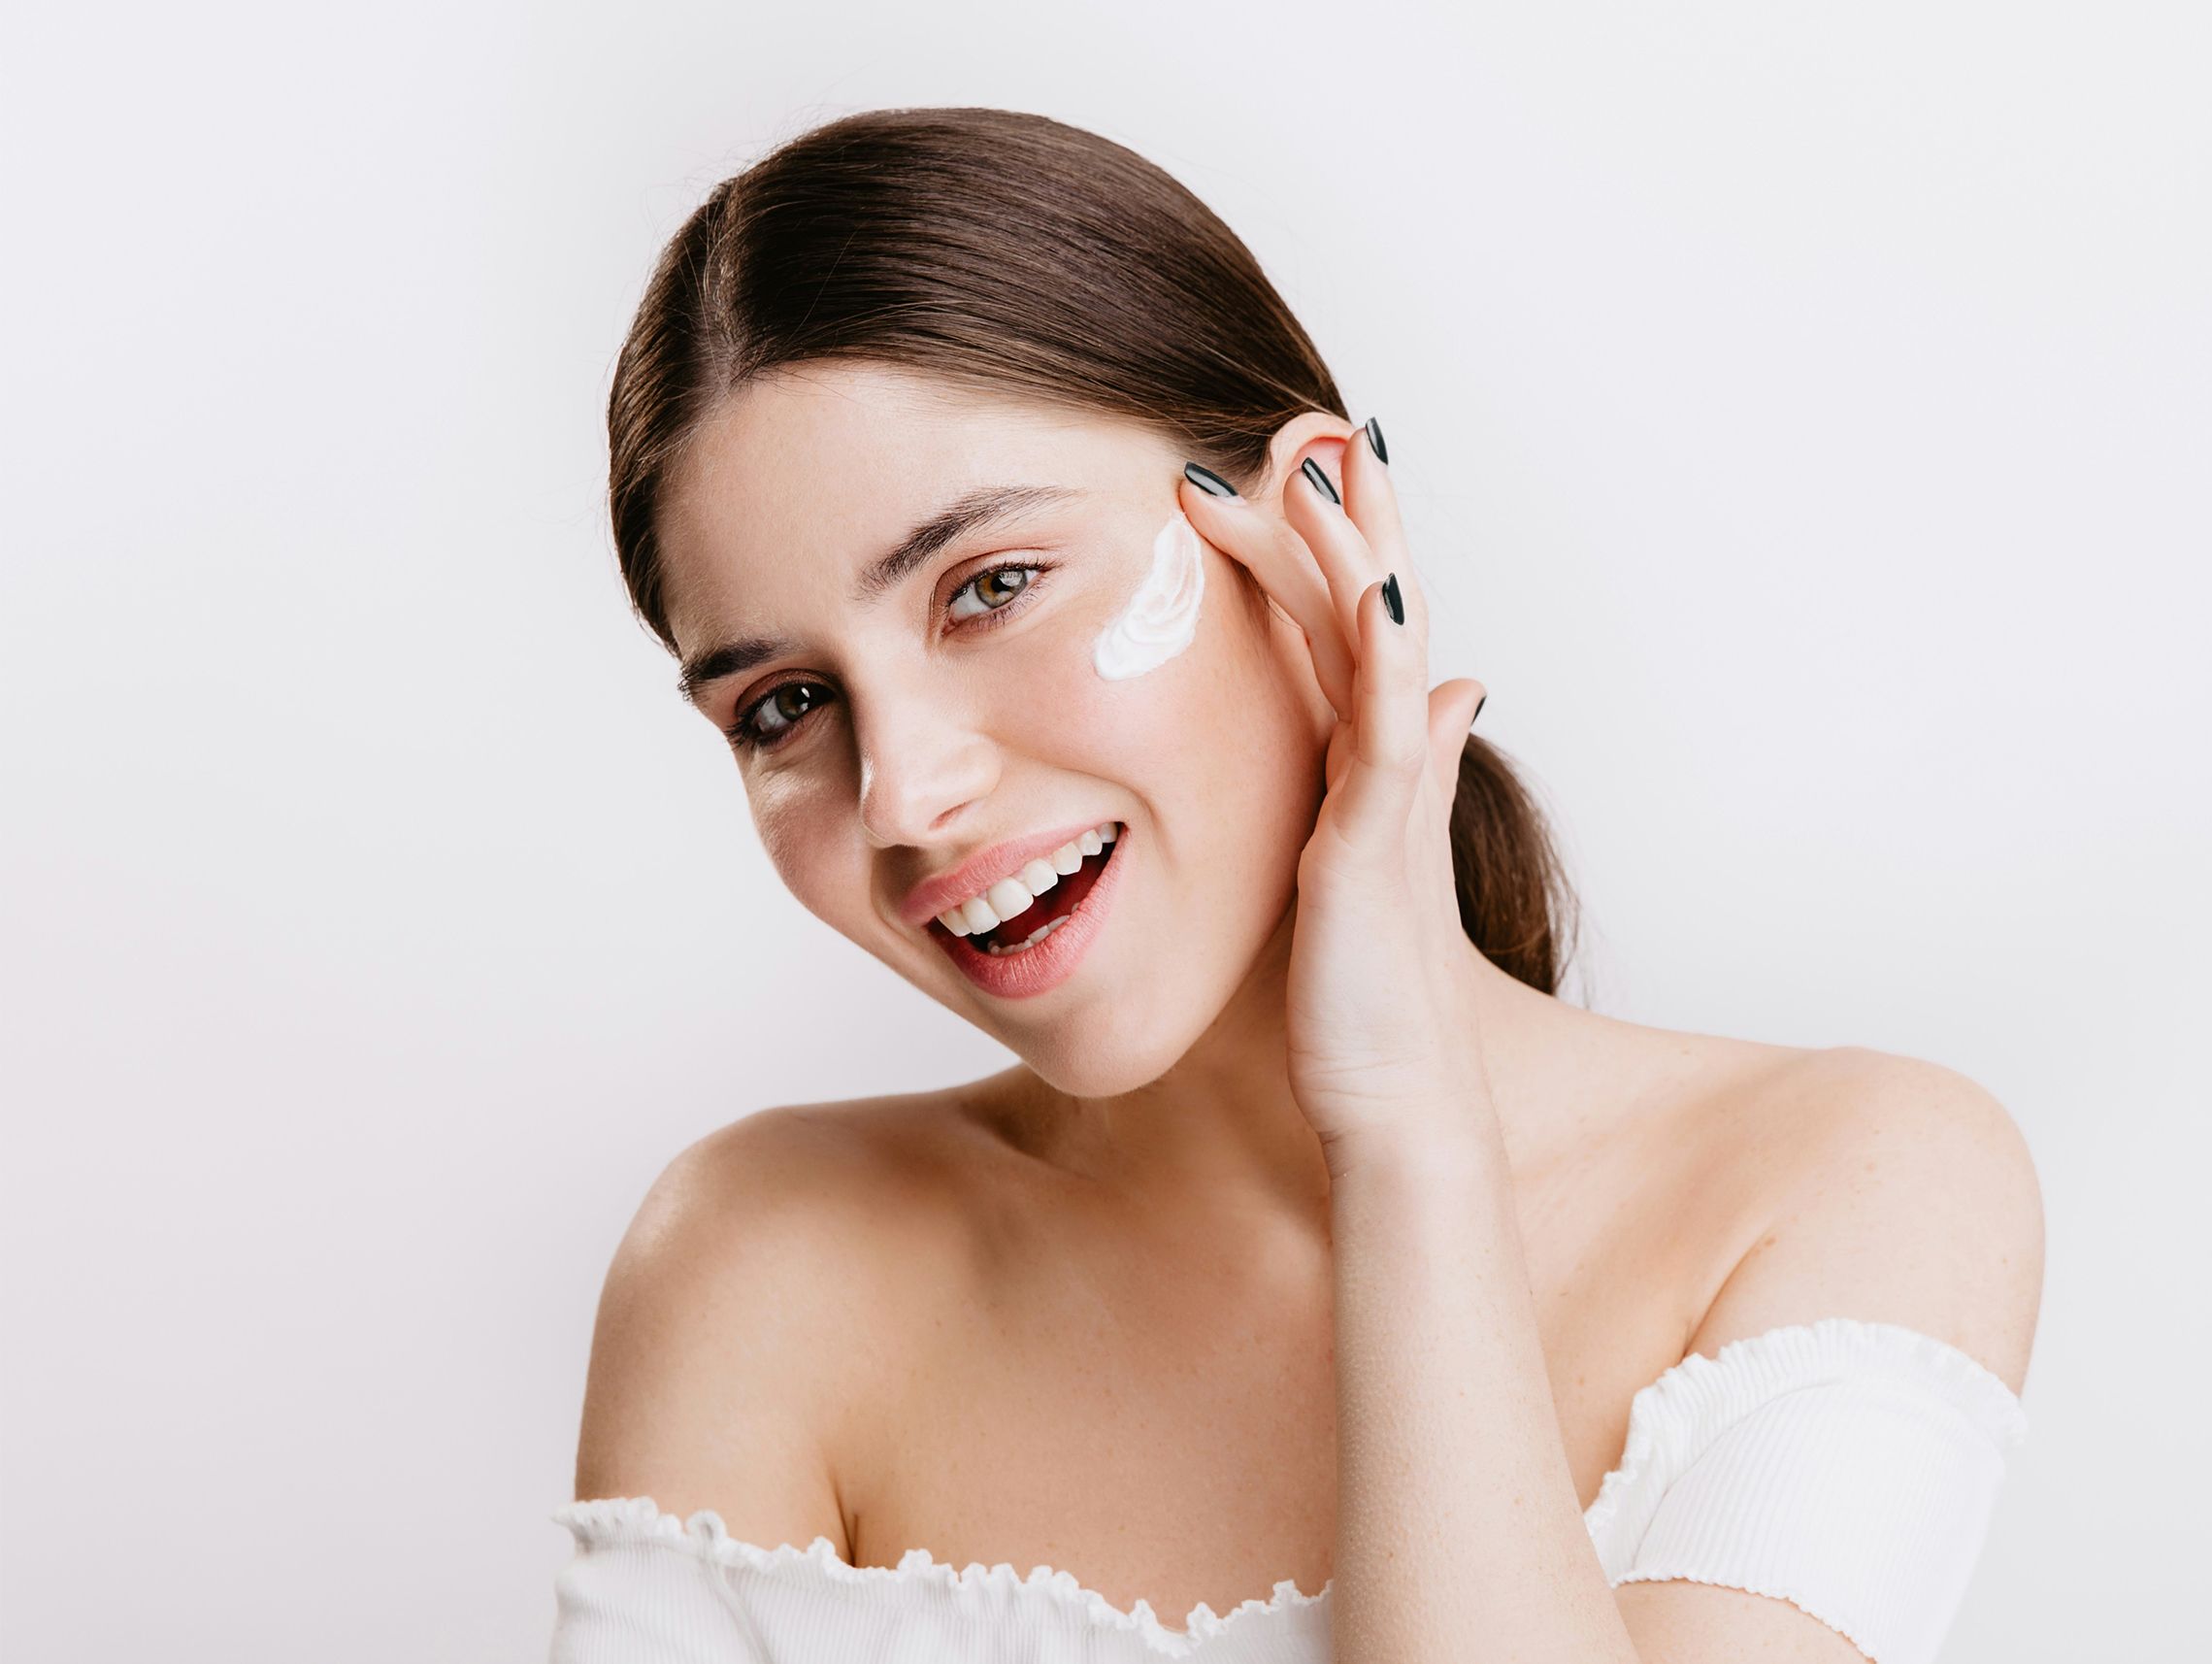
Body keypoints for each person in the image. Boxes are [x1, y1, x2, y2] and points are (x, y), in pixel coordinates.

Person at [548, 106, 2045, 1664]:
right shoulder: (759, 1267)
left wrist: (1406, 1126)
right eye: (783, 705)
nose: (907, 794)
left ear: (1315, 524)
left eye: (990, 588)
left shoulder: (1846, 1185)